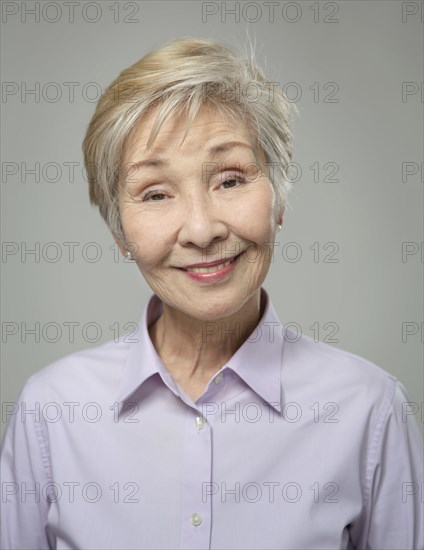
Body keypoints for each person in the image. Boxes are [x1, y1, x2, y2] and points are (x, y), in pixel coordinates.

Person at [1, 37, 423, 550]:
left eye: (229, 180)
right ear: (118, 232)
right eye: (156, 193)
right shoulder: (51, 411)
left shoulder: (370, 409)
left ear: (279, 197)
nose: (201, 230)